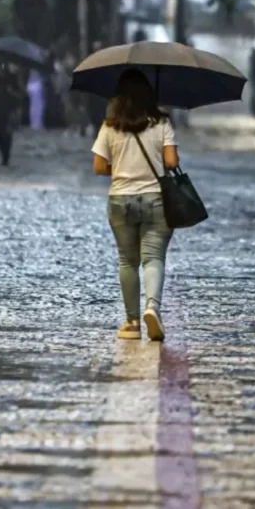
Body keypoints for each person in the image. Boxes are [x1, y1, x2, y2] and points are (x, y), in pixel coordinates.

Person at [91, 69, 179, 341]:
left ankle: (131, 323)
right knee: (153, 257)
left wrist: (120, 168)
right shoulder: (161, 122)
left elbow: (98, 166)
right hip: (155, 198)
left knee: (127, 261)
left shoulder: (109, 125)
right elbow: (172, 162)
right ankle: (152, 308)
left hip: (120, 199)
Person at [0, 62, 24, 166]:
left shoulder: (15, 77)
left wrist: (12, 92)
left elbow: (21, 93)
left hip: (10, 107)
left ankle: (6, 156)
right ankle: (2, 151)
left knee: (8, 132)